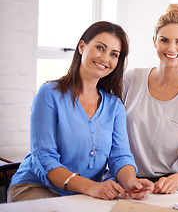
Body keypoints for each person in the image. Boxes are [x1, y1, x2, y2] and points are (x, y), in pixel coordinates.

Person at [8, 21, 153, 202]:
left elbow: (120, 156)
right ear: (82, 47)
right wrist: (91, 187)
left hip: (84, 194)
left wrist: (132, 182)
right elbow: (45, 159)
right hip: (37, 187)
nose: (105, 58)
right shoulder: (49, 94)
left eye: (114, 54)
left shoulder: (115, 106)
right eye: (100, 48)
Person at [119, 4, 178, 194]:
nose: (172, 48)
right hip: (123, 178)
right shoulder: (131, 79)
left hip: (163, 184)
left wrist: (173, 181)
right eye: (164, 40)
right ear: (154, 41)